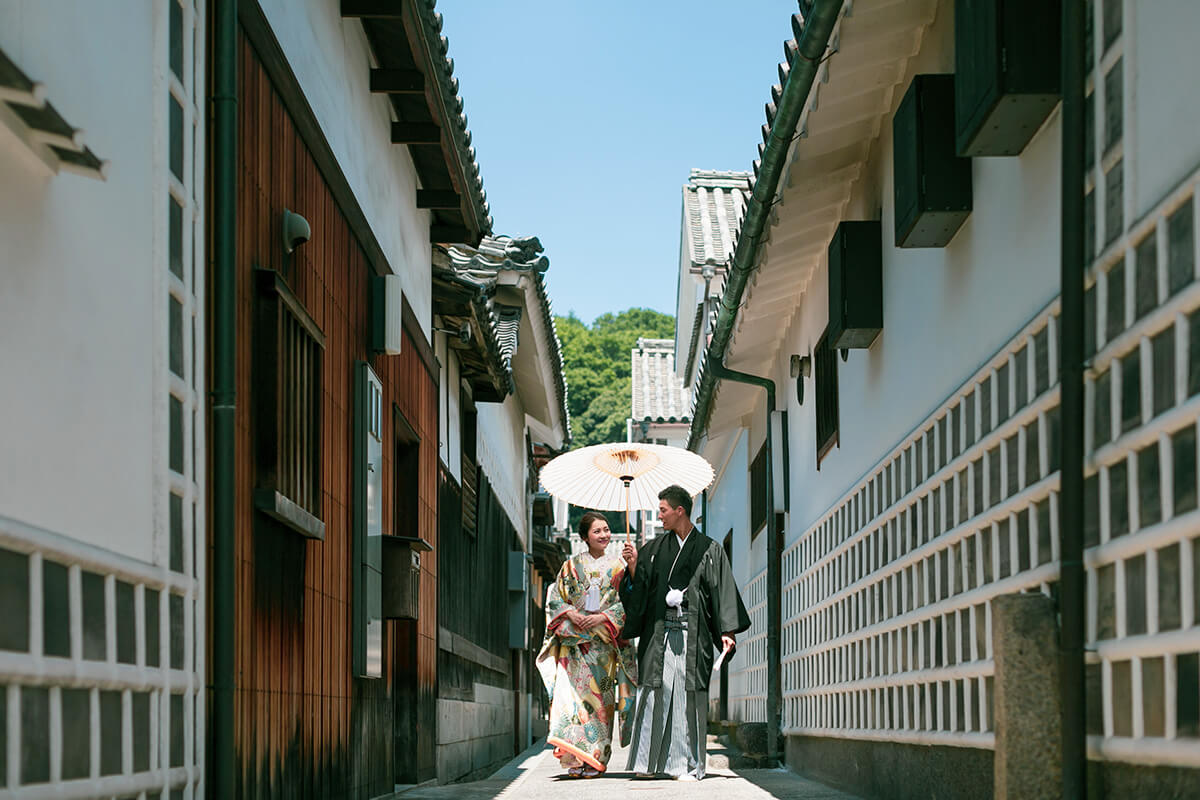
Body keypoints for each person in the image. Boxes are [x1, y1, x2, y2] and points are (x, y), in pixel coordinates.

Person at [619, 485, 751, 781]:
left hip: (694, 632)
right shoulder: (651, 551)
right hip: (659, 630)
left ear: (680, 511)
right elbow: (637, 592)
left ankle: (688, 765)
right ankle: (648, 763)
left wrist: (727, 630)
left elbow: (722, 590)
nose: (660, 515)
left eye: (663, 510)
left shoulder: (709, 549)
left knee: (689, 696)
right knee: (655, 692)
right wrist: (632, 567)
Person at [536, 511, 638, 778]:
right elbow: (555, 600)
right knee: (571, 702)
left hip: (603, 648)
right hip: (575, 647)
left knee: (601, 701)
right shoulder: (570, 567)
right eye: (597, 531)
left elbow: (627, 603)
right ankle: (574, 757)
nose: (604, 535)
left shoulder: (619, 567)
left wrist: (602, 617)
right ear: (584, 537)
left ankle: (595, 758)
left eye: (606, 530)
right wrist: (572, 615)